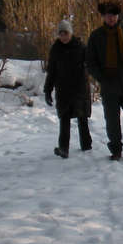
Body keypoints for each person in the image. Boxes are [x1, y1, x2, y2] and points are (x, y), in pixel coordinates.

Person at [84, 0, 123, 160]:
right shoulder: (96, 37)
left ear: (118, 16)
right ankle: (116, 149)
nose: (111, 18)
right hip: (109, 84)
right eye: (108, 15)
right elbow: (90, 61)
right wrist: (100, 77)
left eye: (114, 15)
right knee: (112, 120)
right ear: (103, 17)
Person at [43, 18, 92, 158]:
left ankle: (86, 144)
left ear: (70, 33)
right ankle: (64, 148)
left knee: (82, 116)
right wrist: (48, 90)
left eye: (66, 33)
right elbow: (51, 71)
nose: (63, 36)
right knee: (64, 118)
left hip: (79, 88)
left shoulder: (81, 47)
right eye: (61, 34)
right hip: (63, 90)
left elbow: (91, 63)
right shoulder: (55, 49)